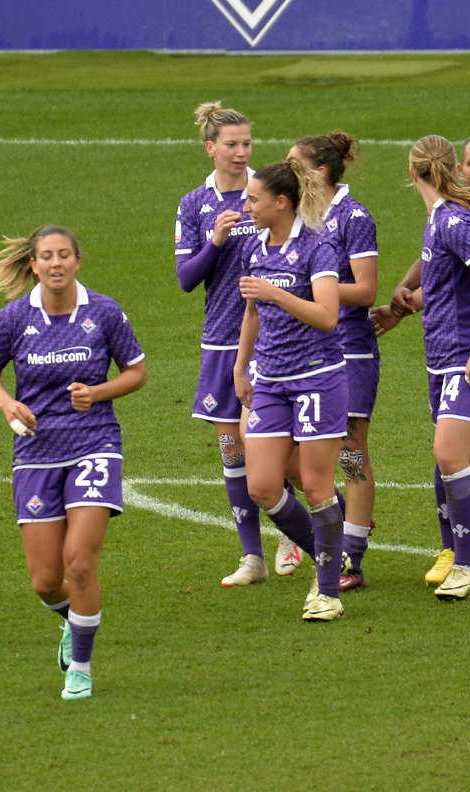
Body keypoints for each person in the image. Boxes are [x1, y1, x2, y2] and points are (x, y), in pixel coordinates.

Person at [0, 225, 147, 701]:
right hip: (36, 452)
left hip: (94, 444)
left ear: (77, 261)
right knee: (46, 581)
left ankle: (83, 668)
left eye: (64, 255)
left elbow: (136, 372)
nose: (55, 264)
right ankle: (73, 623)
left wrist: (97, 392)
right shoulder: (14, 317)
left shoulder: (104, 312)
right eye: (46, 257)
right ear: (33, 264)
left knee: (79, 564)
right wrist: (8, 404)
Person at [373, 132, 470, 587]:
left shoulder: (454, 221)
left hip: (465, 358)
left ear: (411, 173)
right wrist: (405, 306)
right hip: (442, 356)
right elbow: (449, 289)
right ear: (454, 168)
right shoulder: (440, 218)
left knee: (448, 455)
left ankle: (462, 566)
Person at [233, 158, 348, 621]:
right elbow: (251, 313)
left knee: (318, 484)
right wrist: (241, 367)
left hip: (319, 375)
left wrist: (275, 292)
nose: (246, 204)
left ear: (281, 203)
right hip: (271, 380)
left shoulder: (318, 247)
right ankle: (331, 552)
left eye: (254, 198)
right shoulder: (255, 246)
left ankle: (327, 593)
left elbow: (328, 315)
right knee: (261, 484)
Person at [175, 102, 272, 587]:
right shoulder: (194, 204)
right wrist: (213, 241)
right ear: (210, 148)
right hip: (221, 342)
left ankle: (302, 537)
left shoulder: (270, 192)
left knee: (278, 454)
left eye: (247, 144)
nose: (240, 152)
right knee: (234, 453)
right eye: (231, 144)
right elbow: (185, 279)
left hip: (275, 339)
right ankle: (252, 557)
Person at [288, 131, 378, 591]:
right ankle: (345, 520)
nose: (285, 169)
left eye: (293, 163)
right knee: (287, 454)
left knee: (349, 455)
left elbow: (365, 290)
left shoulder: (353, 217)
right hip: (303, 351)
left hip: (349, 348)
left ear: (319, 172)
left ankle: (352, 560)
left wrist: (309, 285)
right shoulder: (300, 215)